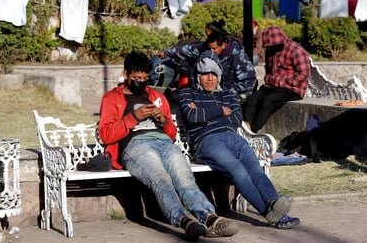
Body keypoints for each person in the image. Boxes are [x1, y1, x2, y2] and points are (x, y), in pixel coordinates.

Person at [98, 51, 239, 241]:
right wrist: (133, 118)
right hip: (136, 146)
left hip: (164, 142)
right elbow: (105, 135)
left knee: (184, 178)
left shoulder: (156, 96)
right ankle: (184, 221)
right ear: (125, 75)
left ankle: (210, 218)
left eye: (145, 78)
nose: (141, 82)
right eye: (136, 78)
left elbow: (171, 134)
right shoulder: (111, 98)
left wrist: (163, 120)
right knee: (161, 179)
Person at [178, 51, 301, 229]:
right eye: (205, 74)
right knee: (238, 171)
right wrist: (221, 110)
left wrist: (207, 112)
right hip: (208, 141)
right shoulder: (187, 93)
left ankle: (274, 203)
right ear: (198, 76)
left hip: (234, 138)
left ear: (219, 75)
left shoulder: (227, 93)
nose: (210, 78)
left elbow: (236, 118)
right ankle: (270, 213)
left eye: (214, 74)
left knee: (256, 170)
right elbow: (192, 115)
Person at [159, 20, 257, 104]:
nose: (212, 52)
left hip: (234, 95)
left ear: (223, 45)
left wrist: (226, 94)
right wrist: (167, 52)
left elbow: (249, 81)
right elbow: (188, 50)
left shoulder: (237, 55)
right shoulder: (208, 48)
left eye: (214, 49)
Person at [242, 26, 311, 133]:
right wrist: (272, 81)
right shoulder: (271, 50)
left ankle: (253, 131)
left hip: (292, 88)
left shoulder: (296, 51)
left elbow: (304, 74)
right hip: (273, 85)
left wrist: (284, 81)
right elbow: (269, 70)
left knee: (268, 101)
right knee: (253, 99)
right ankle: (245, 127)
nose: (270, 49)